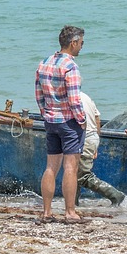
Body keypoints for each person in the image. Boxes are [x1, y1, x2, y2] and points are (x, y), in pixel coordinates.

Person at [35, 26, 86, 222]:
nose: (81, 47)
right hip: (68, 121)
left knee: (51, 167)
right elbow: (74, 100)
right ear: (73, 43)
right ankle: (70, 211)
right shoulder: (70, 67)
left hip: (51, 120)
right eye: (81, 43)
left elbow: (39, 95)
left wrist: (45, 113)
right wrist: (82, 120)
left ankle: (47, 211)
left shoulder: (44, 63)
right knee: (70, 168)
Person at [76, 91, 126, 206]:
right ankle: (73, 204)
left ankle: (115, 195)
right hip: (92, 137)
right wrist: (96, 142)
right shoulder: (86, 97)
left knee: (82, 176)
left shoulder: (71, 98)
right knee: (74, 173)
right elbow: (97, 118)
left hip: (83, 137)